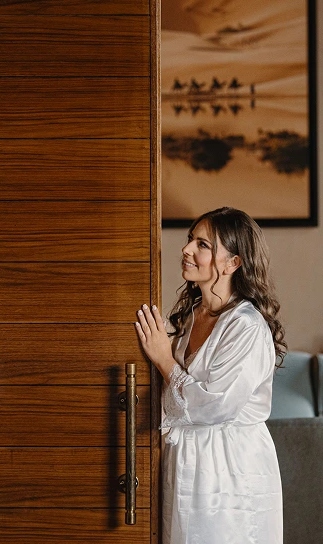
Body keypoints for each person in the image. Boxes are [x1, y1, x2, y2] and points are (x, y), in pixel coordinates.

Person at [135, 206, 284, 543]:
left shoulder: (246, 326)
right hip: (185, 463)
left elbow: (214, 406)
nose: (186, 249)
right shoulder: (192, 316)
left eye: (202, 245)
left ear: (233, 263)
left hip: (228, 472)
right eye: (191, 239)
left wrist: (164, 359)